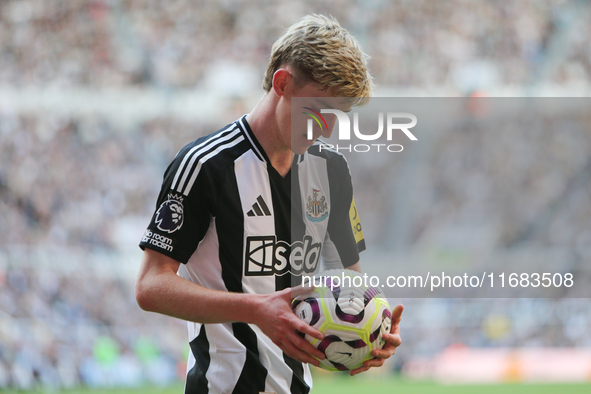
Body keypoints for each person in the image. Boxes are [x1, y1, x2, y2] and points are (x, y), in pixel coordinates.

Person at [135, 14, 403, 394]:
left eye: (336, 117)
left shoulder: (332, 171)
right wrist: (256, 309)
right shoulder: (205, 166)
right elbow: (150, 285)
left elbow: (349, 283)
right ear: (282, 83)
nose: (327, 128)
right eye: (319, 110)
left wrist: (371, 333)